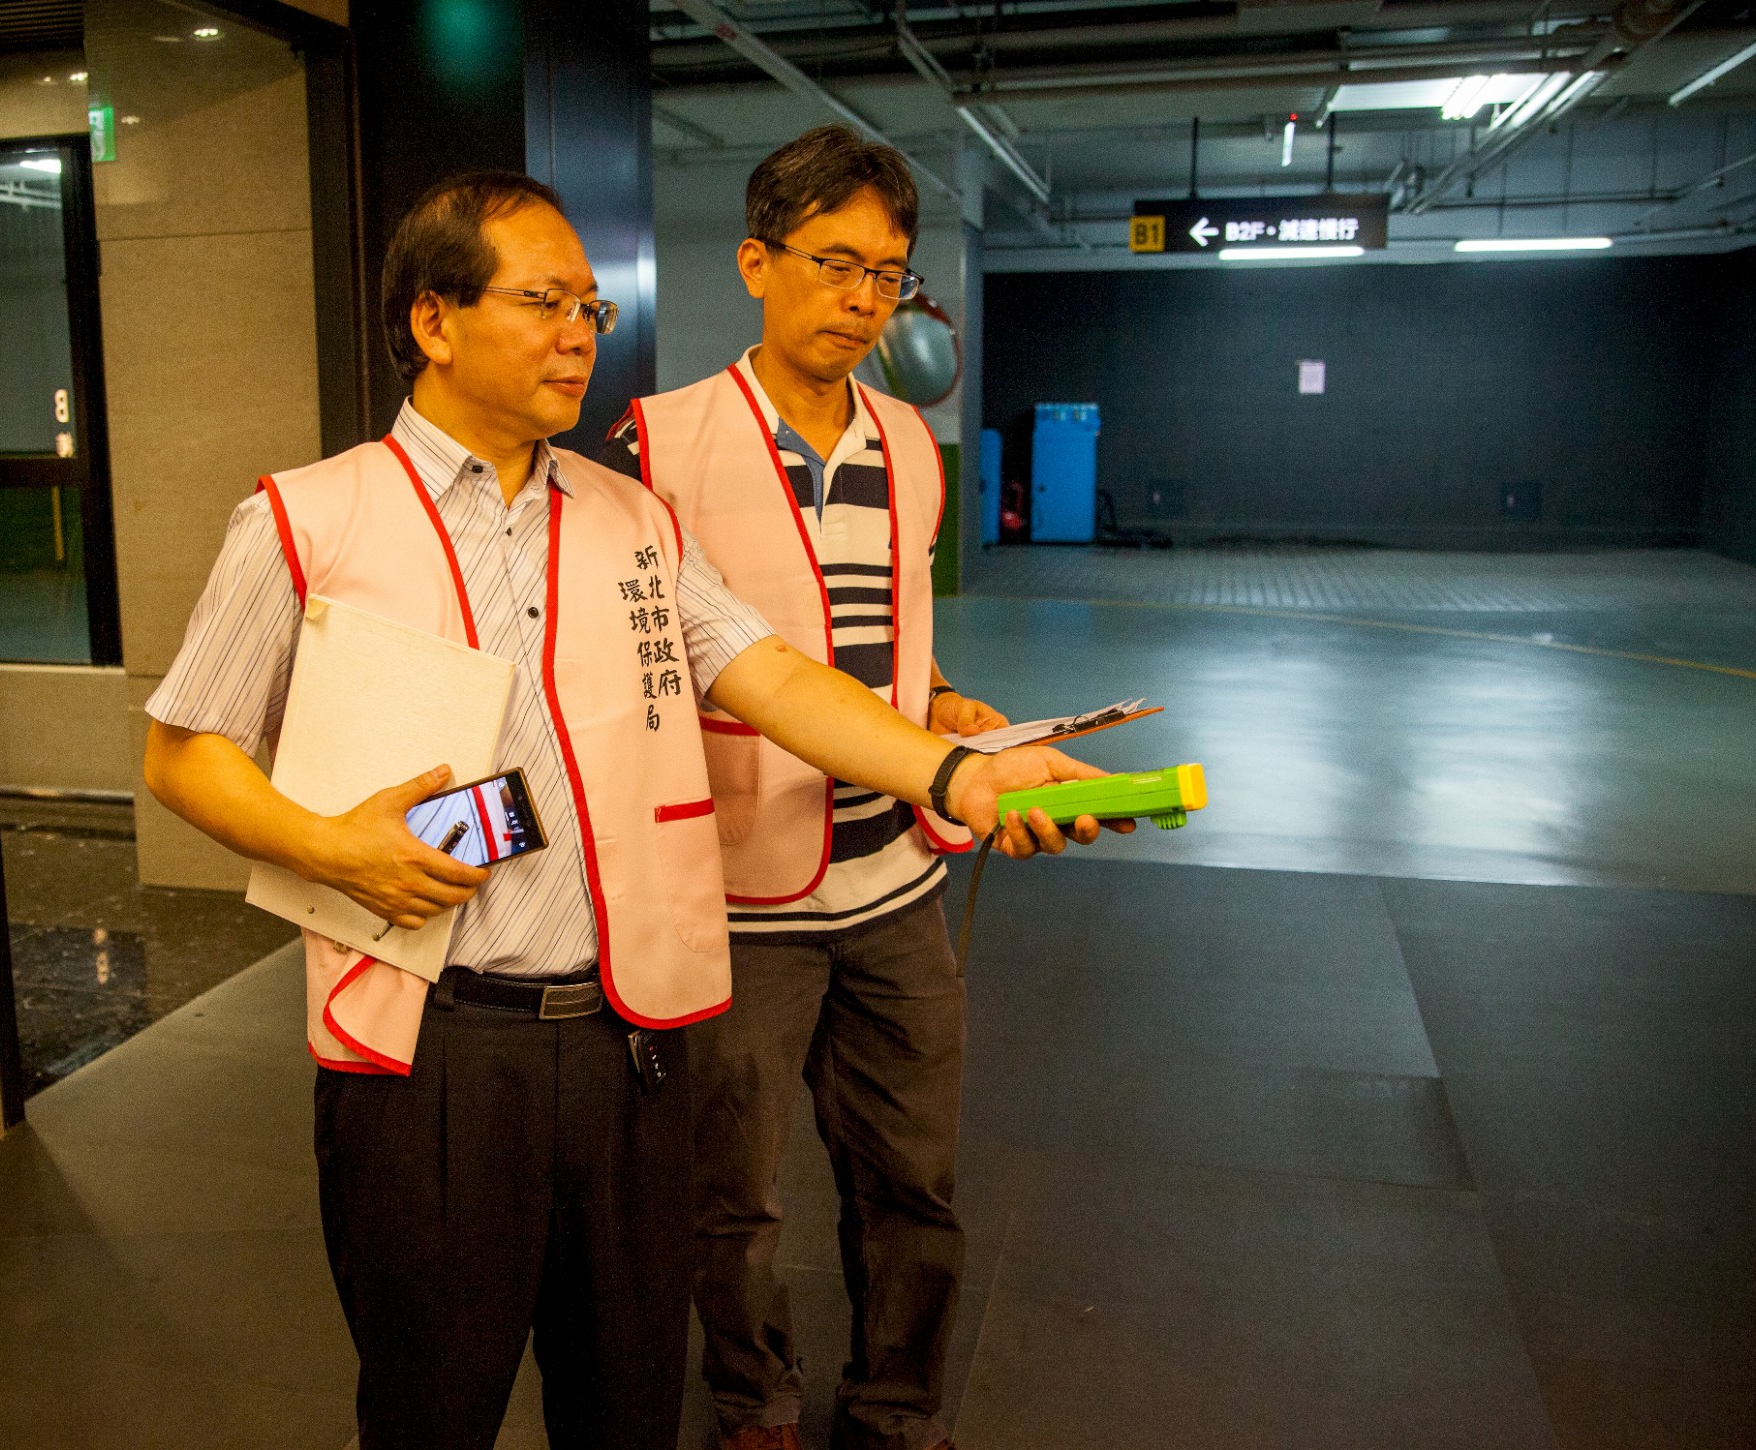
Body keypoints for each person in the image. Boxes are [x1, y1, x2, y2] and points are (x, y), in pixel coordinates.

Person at [141, 170, 1106, 1450]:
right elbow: (184, 749)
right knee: (434, 1404)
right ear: (434, 319)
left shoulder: (629, 517)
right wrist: (328, 844)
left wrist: (952, 772)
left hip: (630, 1044)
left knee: (629, 1402)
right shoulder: (306, 516)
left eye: (589, 306)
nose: (581, 333)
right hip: (434, 1053)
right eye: (543, 302)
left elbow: (771, 676)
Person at [595, 126, 1127, 1450]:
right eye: (834, 263)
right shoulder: (653, 445)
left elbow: (889, 640)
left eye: (886, 273)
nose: (860, 297)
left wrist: (945, 712)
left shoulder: (911, 442)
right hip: (737, 897)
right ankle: (754, 1400)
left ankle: (894, 1405)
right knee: (733, 1195)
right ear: (754, 261)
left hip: (897, 882)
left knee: (916, 1185)